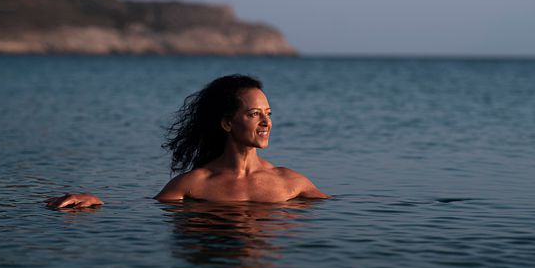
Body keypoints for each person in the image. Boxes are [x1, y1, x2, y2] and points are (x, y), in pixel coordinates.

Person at [47, 75, 328, 210]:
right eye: (254, 114)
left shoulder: (292, 182)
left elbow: (335, 206)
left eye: (268, 114)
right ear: (227, 123)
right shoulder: (194, 184)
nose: (266, 123)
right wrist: (97, 201)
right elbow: (148, 207)